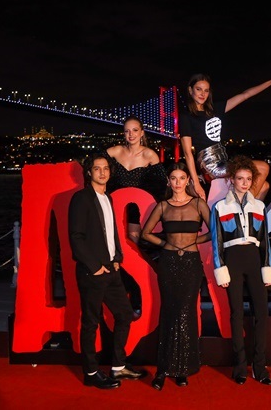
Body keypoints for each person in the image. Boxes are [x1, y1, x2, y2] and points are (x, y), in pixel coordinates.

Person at [68, 152, 147, 389]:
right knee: (91, 323)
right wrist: (94, 267)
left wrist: (117, 259)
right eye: (97, 168)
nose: (102, 172)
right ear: (89, 172)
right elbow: (76, 237)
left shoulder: (108, 198)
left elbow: (111, 233)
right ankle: (91, 373)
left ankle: (118, 366)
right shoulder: (81, 198)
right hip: (92, 272)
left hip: (112, 269)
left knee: (124, 314)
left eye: (106, 168)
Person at [140, 162, 212, 391]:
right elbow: (145, 233)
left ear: (188, 181)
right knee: (169, 312)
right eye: (174, 178)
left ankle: (183, 369)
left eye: (182, 178)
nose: (178, 182)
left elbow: (215, 231)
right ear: (169, 182)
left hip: (191, 263)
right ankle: (162, 370)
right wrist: (165, 244)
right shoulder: (162, 206)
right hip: (168, 264)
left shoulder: (198, 204)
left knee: (186, 312)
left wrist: (195, 241)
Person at [210, 155, 271, 386]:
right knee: (236, 314)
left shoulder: (259, 206)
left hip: (255, 260)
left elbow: (265, 240)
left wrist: (267, 267)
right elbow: (216, 241)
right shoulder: (220, 207)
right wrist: (221, 268)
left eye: (249, 179)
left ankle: (260, 367)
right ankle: (239, 367)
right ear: (232, 180)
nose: (245, 183)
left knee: (262, 313)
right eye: (240, 178)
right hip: (232, 260)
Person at [179, 73, 271, 202]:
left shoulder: (214, 109)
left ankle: (246, 211)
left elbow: (245, 95)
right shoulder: (187, 116)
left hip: (223, 160)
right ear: (190, 90)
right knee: (263, 167)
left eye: (206, 90)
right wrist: (196, 183)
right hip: (209, 165)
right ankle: (243, 206)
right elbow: (187, 153)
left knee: (265, 186)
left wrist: (270, 82)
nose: (203, 94)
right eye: (198, 89)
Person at [106, 114, 168, 318]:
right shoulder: (116, 151)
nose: (131, 134)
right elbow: (93, 164)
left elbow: (160, 187)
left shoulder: (150, 155)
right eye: (127, 131)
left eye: (134, 130)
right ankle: (122, 301)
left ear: (142, 132)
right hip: (114, 211)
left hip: (135, 213)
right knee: (114, 254)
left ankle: (137, 300)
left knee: (131, 254)